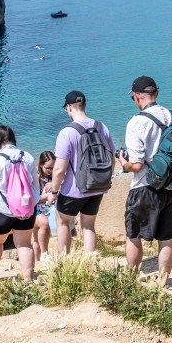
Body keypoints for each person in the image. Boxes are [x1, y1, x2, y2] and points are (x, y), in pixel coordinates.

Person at [118, 76, 172, 279]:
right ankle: (163, 281)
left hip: (145, 186)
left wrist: (123, 163)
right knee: (166, 238)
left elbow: (137, 164)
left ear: (137, 97)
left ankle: (132, 279)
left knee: (134, 235)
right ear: (156, 93)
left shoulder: (136, 123)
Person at [43, 91, 115, 257]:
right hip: (98, 186)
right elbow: (112, 158)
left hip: (74, 190)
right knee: (88, 225)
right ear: (85, 105)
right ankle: (90, 264)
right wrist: (105, 178)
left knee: (62, 222)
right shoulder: (101, 126)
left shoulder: (67, 132)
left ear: (69, 108)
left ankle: (65, 262)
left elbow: (60, 169)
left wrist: (54, 192)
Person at [0, 125, 39, 282]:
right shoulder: (28, 157)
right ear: (13, 138)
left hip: (2, 210)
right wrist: (33, 202)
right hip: (26, 209)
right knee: (24, 244)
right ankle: (28, 279)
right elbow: (35, 186)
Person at [33, 151, 56, 267]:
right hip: (36, 209)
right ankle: (44, 254)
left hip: (51, 210)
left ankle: (37, 263)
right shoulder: (35, 177)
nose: (51, 170)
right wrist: (46, 196)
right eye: (48, 168)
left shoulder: (56, 176)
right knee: (44, 225)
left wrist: (54, 183)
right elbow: (32, 199)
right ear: (41, 165)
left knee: (37, 239)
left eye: (53, 167)